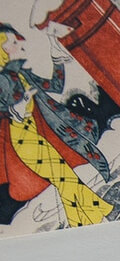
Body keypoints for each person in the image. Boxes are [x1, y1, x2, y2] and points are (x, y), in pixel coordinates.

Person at [0, 23, 111, 228]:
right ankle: (93, 218)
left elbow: (55, 86)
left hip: (36, 136)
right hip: (24, 140)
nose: (20, 44)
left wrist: (56, 58)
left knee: (65, 179)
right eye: (13, 42)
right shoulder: (3, 81)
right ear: (2, 50)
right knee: (65, 179)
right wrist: (21, 104)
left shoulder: (23, 75)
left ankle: (87, 221)